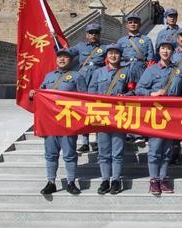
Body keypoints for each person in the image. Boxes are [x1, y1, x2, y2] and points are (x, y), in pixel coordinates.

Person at [33, 48, 87, 195]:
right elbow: (41, 92)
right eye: (59, 57)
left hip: (67, 121)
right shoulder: (49, 76)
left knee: (69, 154)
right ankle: (51, 182)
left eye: (65, 57)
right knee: (51, 154)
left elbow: (84, 99)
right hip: (50, 122)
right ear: (56, 60)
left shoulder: (77, 76)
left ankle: (71, 182)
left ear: (71, 60)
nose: (62, 59)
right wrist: (34, 94)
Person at [88, 44, 140, 195]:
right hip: (102, 116)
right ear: (106, 56)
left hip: (119, 115)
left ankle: (116, 180)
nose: (113, 56)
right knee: (103, 152)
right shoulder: (98, 72)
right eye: (110, 53)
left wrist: (126, 95)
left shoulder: (126, 72)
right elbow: (90, 93)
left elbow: (133, 90)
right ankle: (105, 180)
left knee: (117, 151)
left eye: (116, 53)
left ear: (120, 56)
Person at [135, 38, 182, 195]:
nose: (165, 51)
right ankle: (154, 180)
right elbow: (139, 89)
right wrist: (152, 93)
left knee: (167, 150)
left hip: (172, 115)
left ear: (173, 52)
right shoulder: (151, 70)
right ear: (158, 51)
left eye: (168, 48)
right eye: (163, 48)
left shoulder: (178, 71)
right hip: (155, 115)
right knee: (155, 149)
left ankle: (163, 178)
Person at [67, 22, 107, 153]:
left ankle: (97, 141)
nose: (93, 35)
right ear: (86, 34)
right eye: (91, 33)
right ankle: (84, 141)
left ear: (99, 34)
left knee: (96, 111)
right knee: (83, 111)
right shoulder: (80, 46)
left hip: (98, 81)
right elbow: (66, 54)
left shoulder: (105, 48)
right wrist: (55, 40)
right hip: (82, 82)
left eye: (96, 33)